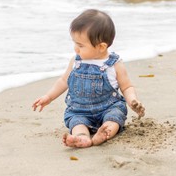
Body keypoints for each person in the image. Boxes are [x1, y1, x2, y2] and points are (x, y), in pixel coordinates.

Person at [32, 9, 145, 147]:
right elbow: (63, 81)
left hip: (108, 107)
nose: (76, 49)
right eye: (75, 43)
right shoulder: (76, 61)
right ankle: (82, 137)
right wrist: (48, 97)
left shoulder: (114, 64)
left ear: (101, 47)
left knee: (114, 118)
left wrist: (132, 101)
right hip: (79, 110)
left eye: (80, 45)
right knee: (76, 122)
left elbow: (126, 86)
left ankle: (104, 134)